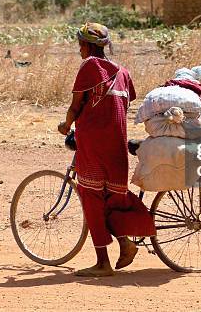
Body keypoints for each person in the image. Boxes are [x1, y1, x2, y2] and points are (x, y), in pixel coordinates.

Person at [58, 22, 155, 277]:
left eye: (80, 43)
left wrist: (65, 124)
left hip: (93, 146)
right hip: (117, 150)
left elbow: (76, 105)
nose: (79, 48)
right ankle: (125, 243)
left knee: (91, 199)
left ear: (88, 45)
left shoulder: (90, 66)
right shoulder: (123, 72)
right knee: (112, 201)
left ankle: (102, 263)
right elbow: (128, 99)